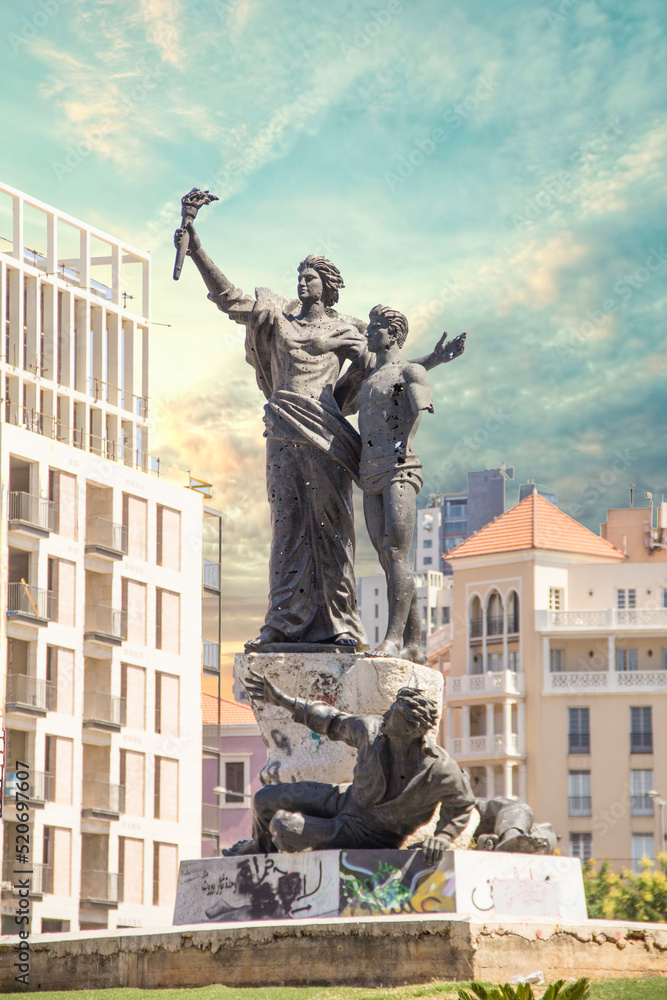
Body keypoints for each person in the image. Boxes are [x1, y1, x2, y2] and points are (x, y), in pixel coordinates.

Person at [176, 217, 456, 652]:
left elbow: (386, 370)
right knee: (286, 526)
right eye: (300, 277)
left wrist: (430, 363)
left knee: (332, 528)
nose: (303, 283)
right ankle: (282, 623)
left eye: (311, 277)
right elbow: (229, 300)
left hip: (326, 435)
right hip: (284, 427)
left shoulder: (345, 329)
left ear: (327, 285)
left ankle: (341, 624)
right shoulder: (278, 318)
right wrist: (195, 249)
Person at [223, 669, 475, 863]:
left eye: (393, 715)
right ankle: (260, 849)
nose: (385, 716)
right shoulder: (371, 730)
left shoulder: (440, 769)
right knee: (264, 799)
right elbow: (331, 720)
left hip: (371, 834)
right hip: (344, 799)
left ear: (410, 730)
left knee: (283, 826)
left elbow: (462, 804)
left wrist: (442, 837)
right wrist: (282, 700)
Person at [357, 305, 465, 661]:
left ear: (394, 334)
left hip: (400, 468)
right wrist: (432, 358)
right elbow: (391, 372)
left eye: (376, 327)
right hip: (369, 471)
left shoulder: (412, 371)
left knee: (396, 554)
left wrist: (404, 442)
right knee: (387, 559)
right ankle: (416, 644)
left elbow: (418, 405)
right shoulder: (369, 377)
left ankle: (393, 639)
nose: (369, 332)